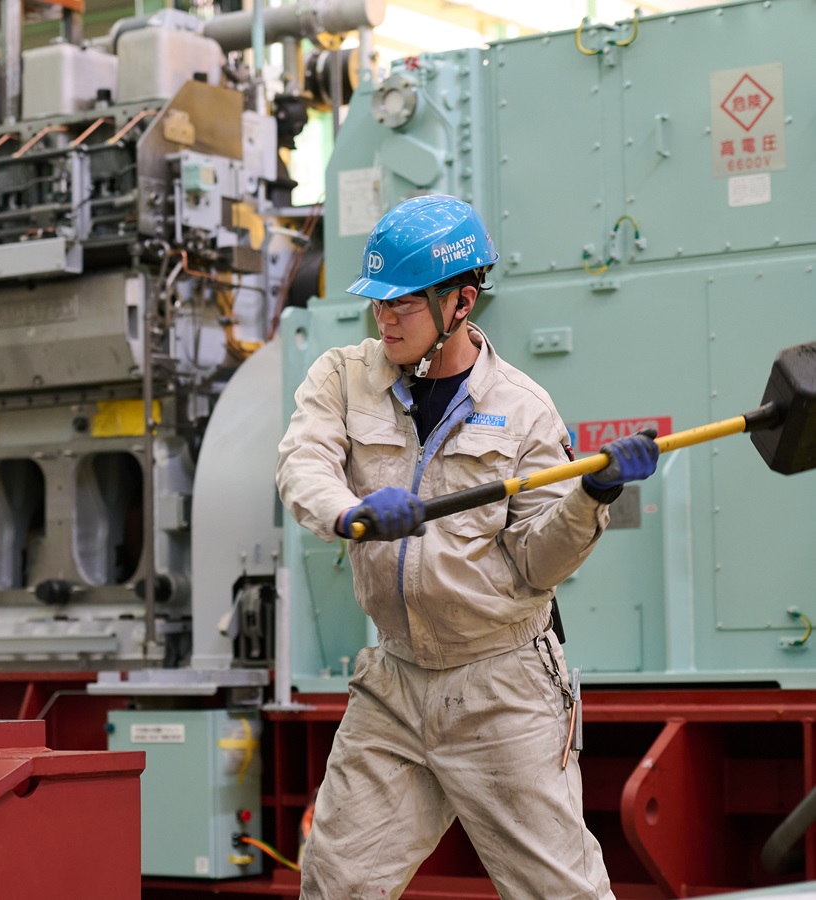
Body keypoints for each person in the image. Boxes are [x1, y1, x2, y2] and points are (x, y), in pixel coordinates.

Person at [276, 194, 658, 899]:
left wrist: (592, 496)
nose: (385, 318)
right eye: (378, 301)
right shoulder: (342, 377)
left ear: (460, 301)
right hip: (394, 683)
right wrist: (353, 513)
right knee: (335, 885)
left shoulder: (523, 409)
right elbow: (304, 467)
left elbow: (539, 562)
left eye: (403, 302)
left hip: (499, 687)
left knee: (560, 893)